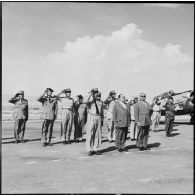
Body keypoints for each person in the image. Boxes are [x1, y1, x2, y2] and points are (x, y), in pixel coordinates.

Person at [86, 88, 104, 156]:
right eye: (95, 92)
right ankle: (90, 149)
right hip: (92, 117)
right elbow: (86, 101)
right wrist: (91, 94)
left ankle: (96, 148)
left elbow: (102, 112)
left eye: (97, 92)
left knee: (97, 133)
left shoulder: (100, 102)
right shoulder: (91, 101)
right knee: (90, 133)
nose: (96, 94)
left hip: (98, 117)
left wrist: (102, 120)